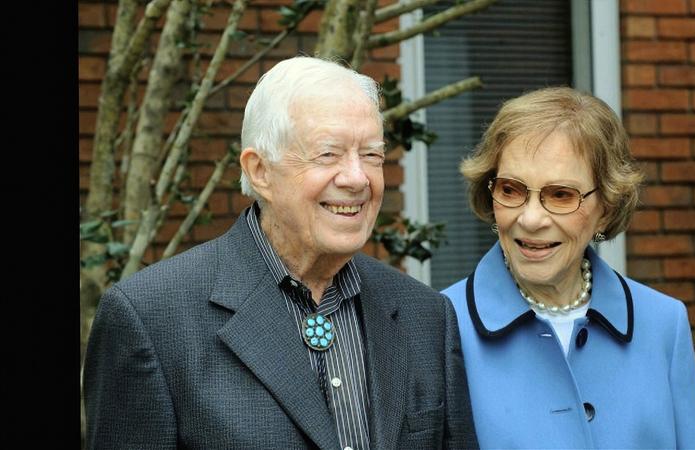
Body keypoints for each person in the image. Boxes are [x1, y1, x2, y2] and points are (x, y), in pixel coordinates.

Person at [84, 56, 477, 449]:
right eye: (328, 154)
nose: (358, 177)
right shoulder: (152, 318)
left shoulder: (425, 316)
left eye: (371, 154)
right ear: (260, 171)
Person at [442, 86, 695, 449]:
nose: (531, 218)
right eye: (511, 189)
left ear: (606, 207)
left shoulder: (664, 325)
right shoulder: (439, 327)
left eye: (560, 195)